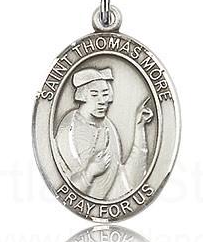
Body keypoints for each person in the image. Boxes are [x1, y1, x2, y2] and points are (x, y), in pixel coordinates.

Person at [55, 67, 153, 199]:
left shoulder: (108, 127)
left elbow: (125, 182)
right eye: (94, 94)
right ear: (81, 96)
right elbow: (64, 190)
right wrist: (88, 173)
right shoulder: (68, 131)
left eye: (105, 94)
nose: (102, 101)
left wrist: (139, 127)